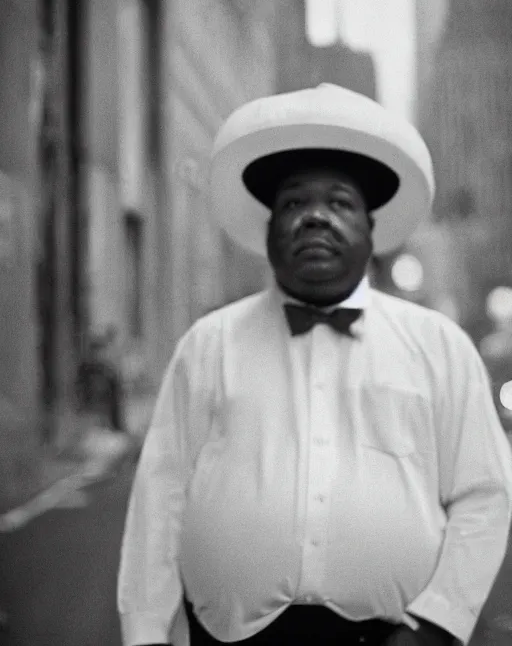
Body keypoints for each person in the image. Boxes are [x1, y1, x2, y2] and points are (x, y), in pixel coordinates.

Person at [117, 84, 512, 646]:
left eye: (341, 203)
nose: (316, 218)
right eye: (294, 203)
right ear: (270, 230)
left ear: (371, 231)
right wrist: (146, 634)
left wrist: (438, 625)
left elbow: (484, 494)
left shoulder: (440, 347)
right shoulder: (208, 345)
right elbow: (161, 497)